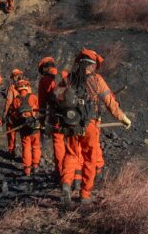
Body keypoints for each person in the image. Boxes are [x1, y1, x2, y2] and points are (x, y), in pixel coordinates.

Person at [55, 48, 131, 206]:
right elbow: (109, 101)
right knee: (90, 158)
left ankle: (66, 186)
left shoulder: (68, 79)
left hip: (71, 124)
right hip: (90, 124)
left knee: (70, 155)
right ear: (92, 65)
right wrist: (123, 117)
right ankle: (85, 195)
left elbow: (57, 97)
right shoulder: (96, 80)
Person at [37, 57, 67, 178]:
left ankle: (60, 172)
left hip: (56, 116)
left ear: (44, 68)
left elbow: (42, 103)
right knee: (72, 144)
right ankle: (75, 174)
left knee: (58, 141)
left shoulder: (44, 80)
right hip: (72, 115)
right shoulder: (64, 75)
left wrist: (42, 120)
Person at [8, 79, 41, 176]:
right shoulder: (34, 97)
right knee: (36, 146)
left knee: (26, 147)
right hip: (35, 125)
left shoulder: (16, 100)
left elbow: (13, 115)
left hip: (24, 127)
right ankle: (35, 165)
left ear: (18, 88)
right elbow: (39, 109)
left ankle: (27, 169)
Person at [3, 68, 24, 158]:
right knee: (25, 136)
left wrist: (4, 114)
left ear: (14, 77)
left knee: (11, 131)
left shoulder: (12, 87)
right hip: (24, 113)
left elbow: (8, 101)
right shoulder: (27, 85)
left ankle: (11, 151)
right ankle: (27, 156)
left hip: (13, 113)